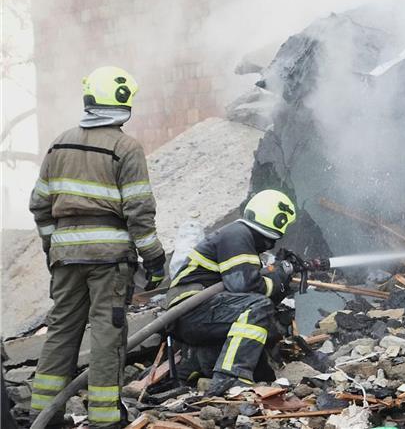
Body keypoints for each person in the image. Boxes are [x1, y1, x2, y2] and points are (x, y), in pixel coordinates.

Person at [29, 66, 165, 428]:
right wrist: (153, 257)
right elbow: (138, 210)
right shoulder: (126, 147)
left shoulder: (60, 143)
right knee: (107, 333)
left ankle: (44, 415)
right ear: (123, 104)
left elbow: (40, 204)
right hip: (109, 261)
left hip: (65, 258)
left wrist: (52, 247)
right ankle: (105, 419)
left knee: (61, 331)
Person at [165, 189, 297, 396]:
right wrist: (278, 279)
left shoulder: (240, 239)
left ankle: (198, 368)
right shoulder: (238, 234)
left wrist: (279, 282)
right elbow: (244, 286)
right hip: (191, 310)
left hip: (198, 314)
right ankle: (230, 378)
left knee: (263, 326)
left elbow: (244, 290)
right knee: (259, 307)